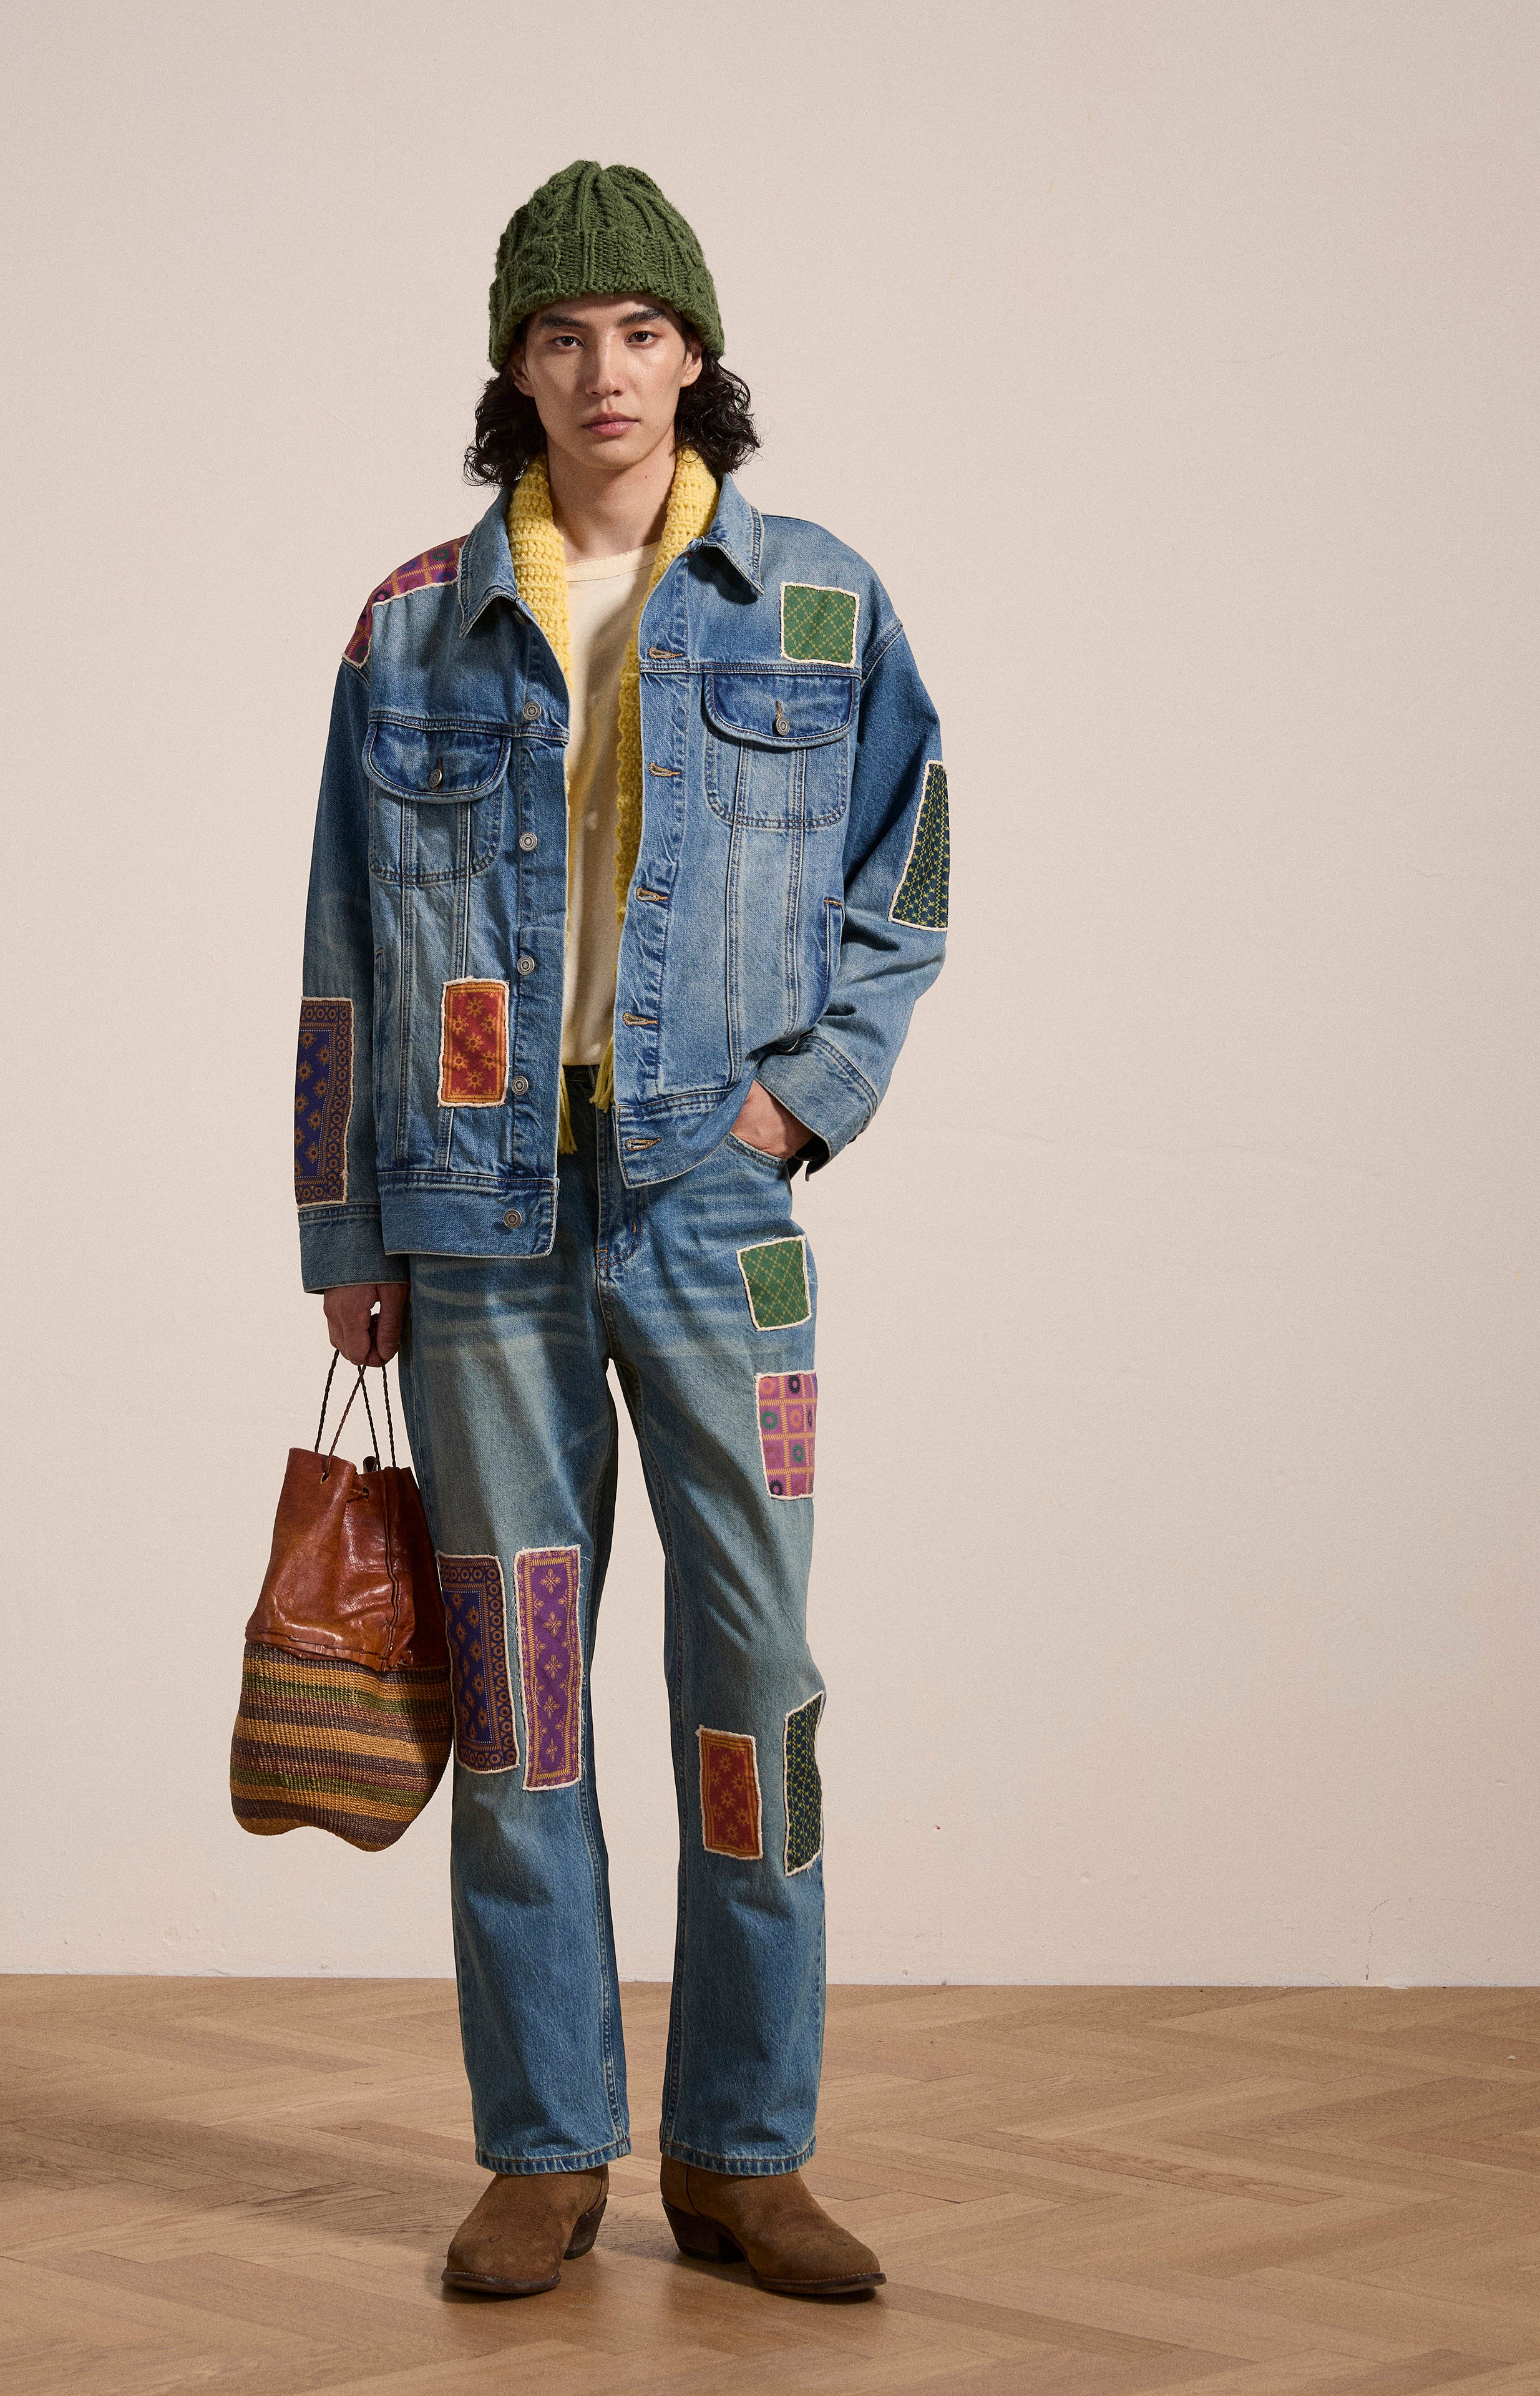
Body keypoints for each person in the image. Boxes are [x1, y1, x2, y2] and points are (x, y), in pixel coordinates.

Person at [293, 160, 949, 2299]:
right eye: (562, 335)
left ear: (696, 357)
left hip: (713, 1223)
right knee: (523, 1692)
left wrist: (797, 1105)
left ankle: (746, 2155)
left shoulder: (818, 602)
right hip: (476, 1234)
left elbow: (907, 885)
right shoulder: (407, 620)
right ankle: (547, 2149)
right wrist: (344, 1229)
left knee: (753, 1684)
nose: (604, 372)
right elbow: (337, 958)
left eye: (641, 333)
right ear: (515, 364)